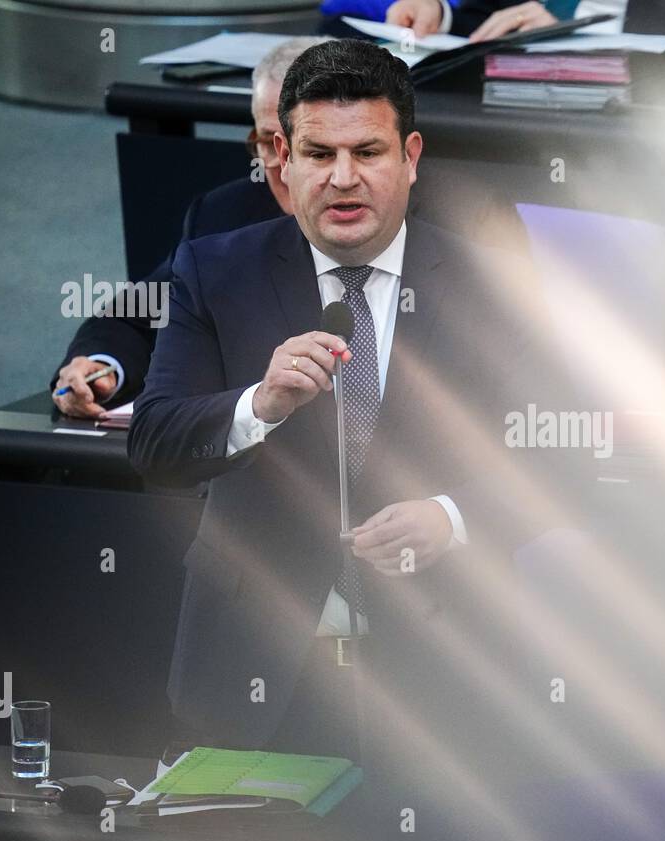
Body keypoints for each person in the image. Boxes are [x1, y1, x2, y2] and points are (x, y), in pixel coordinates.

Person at [128, 39, 572, 772]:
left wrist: (454, 517)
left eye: (367, 151)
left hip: (448, 678)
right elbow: (155, 444)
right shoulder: (216, 268)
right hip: (254, 669)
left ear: (410, 156)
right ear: (282, 157)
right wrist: (258, 405)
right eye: (318, 153)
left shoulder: (491, 284)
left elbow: (567, 454)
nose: (343, 179)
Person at [50, 37, 321, 418]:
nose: (282, 163)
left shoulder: (412, 222)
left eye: (306, 145)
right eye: (267, 140)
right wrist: (101, 366)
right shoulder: (221, 216)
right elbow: (140, 316)